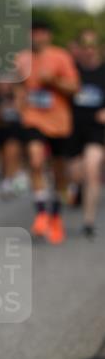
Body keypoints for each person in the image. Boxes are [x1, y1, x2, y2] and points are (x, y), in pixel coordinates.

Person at [16, 20, 79, 245]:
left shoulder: (60, 56)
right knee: (35, 161)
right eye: (32, 33)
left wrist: (53, 81)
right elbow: (18, 87)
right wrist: (19, 103)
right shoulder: (22, 58)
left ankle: (56, 216)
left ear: (48, 36)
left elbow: (74, 87)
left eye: (40, 33)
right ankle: (42, 212)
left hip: (59, 121)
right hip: (33, 118)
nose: (36, 37)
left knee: (59, 172)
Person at [70, 28, 105, 238]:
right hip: (72, 130)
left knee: (92, 170)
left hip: (96, 130)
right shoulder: (71, 71)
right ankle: (77, 192)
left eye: (92, 46)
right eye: (85, 46)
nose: (89, 50)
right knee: (76, 175)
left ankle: (88, 221)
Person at [0, 82, 26, 198]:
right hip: (3, 131)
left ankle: (10, 179)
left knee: (13, 154)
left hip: (16, 130)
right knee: (5, 157)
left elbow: (22, 110)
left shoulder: (18, 96)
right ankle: (10, 179)